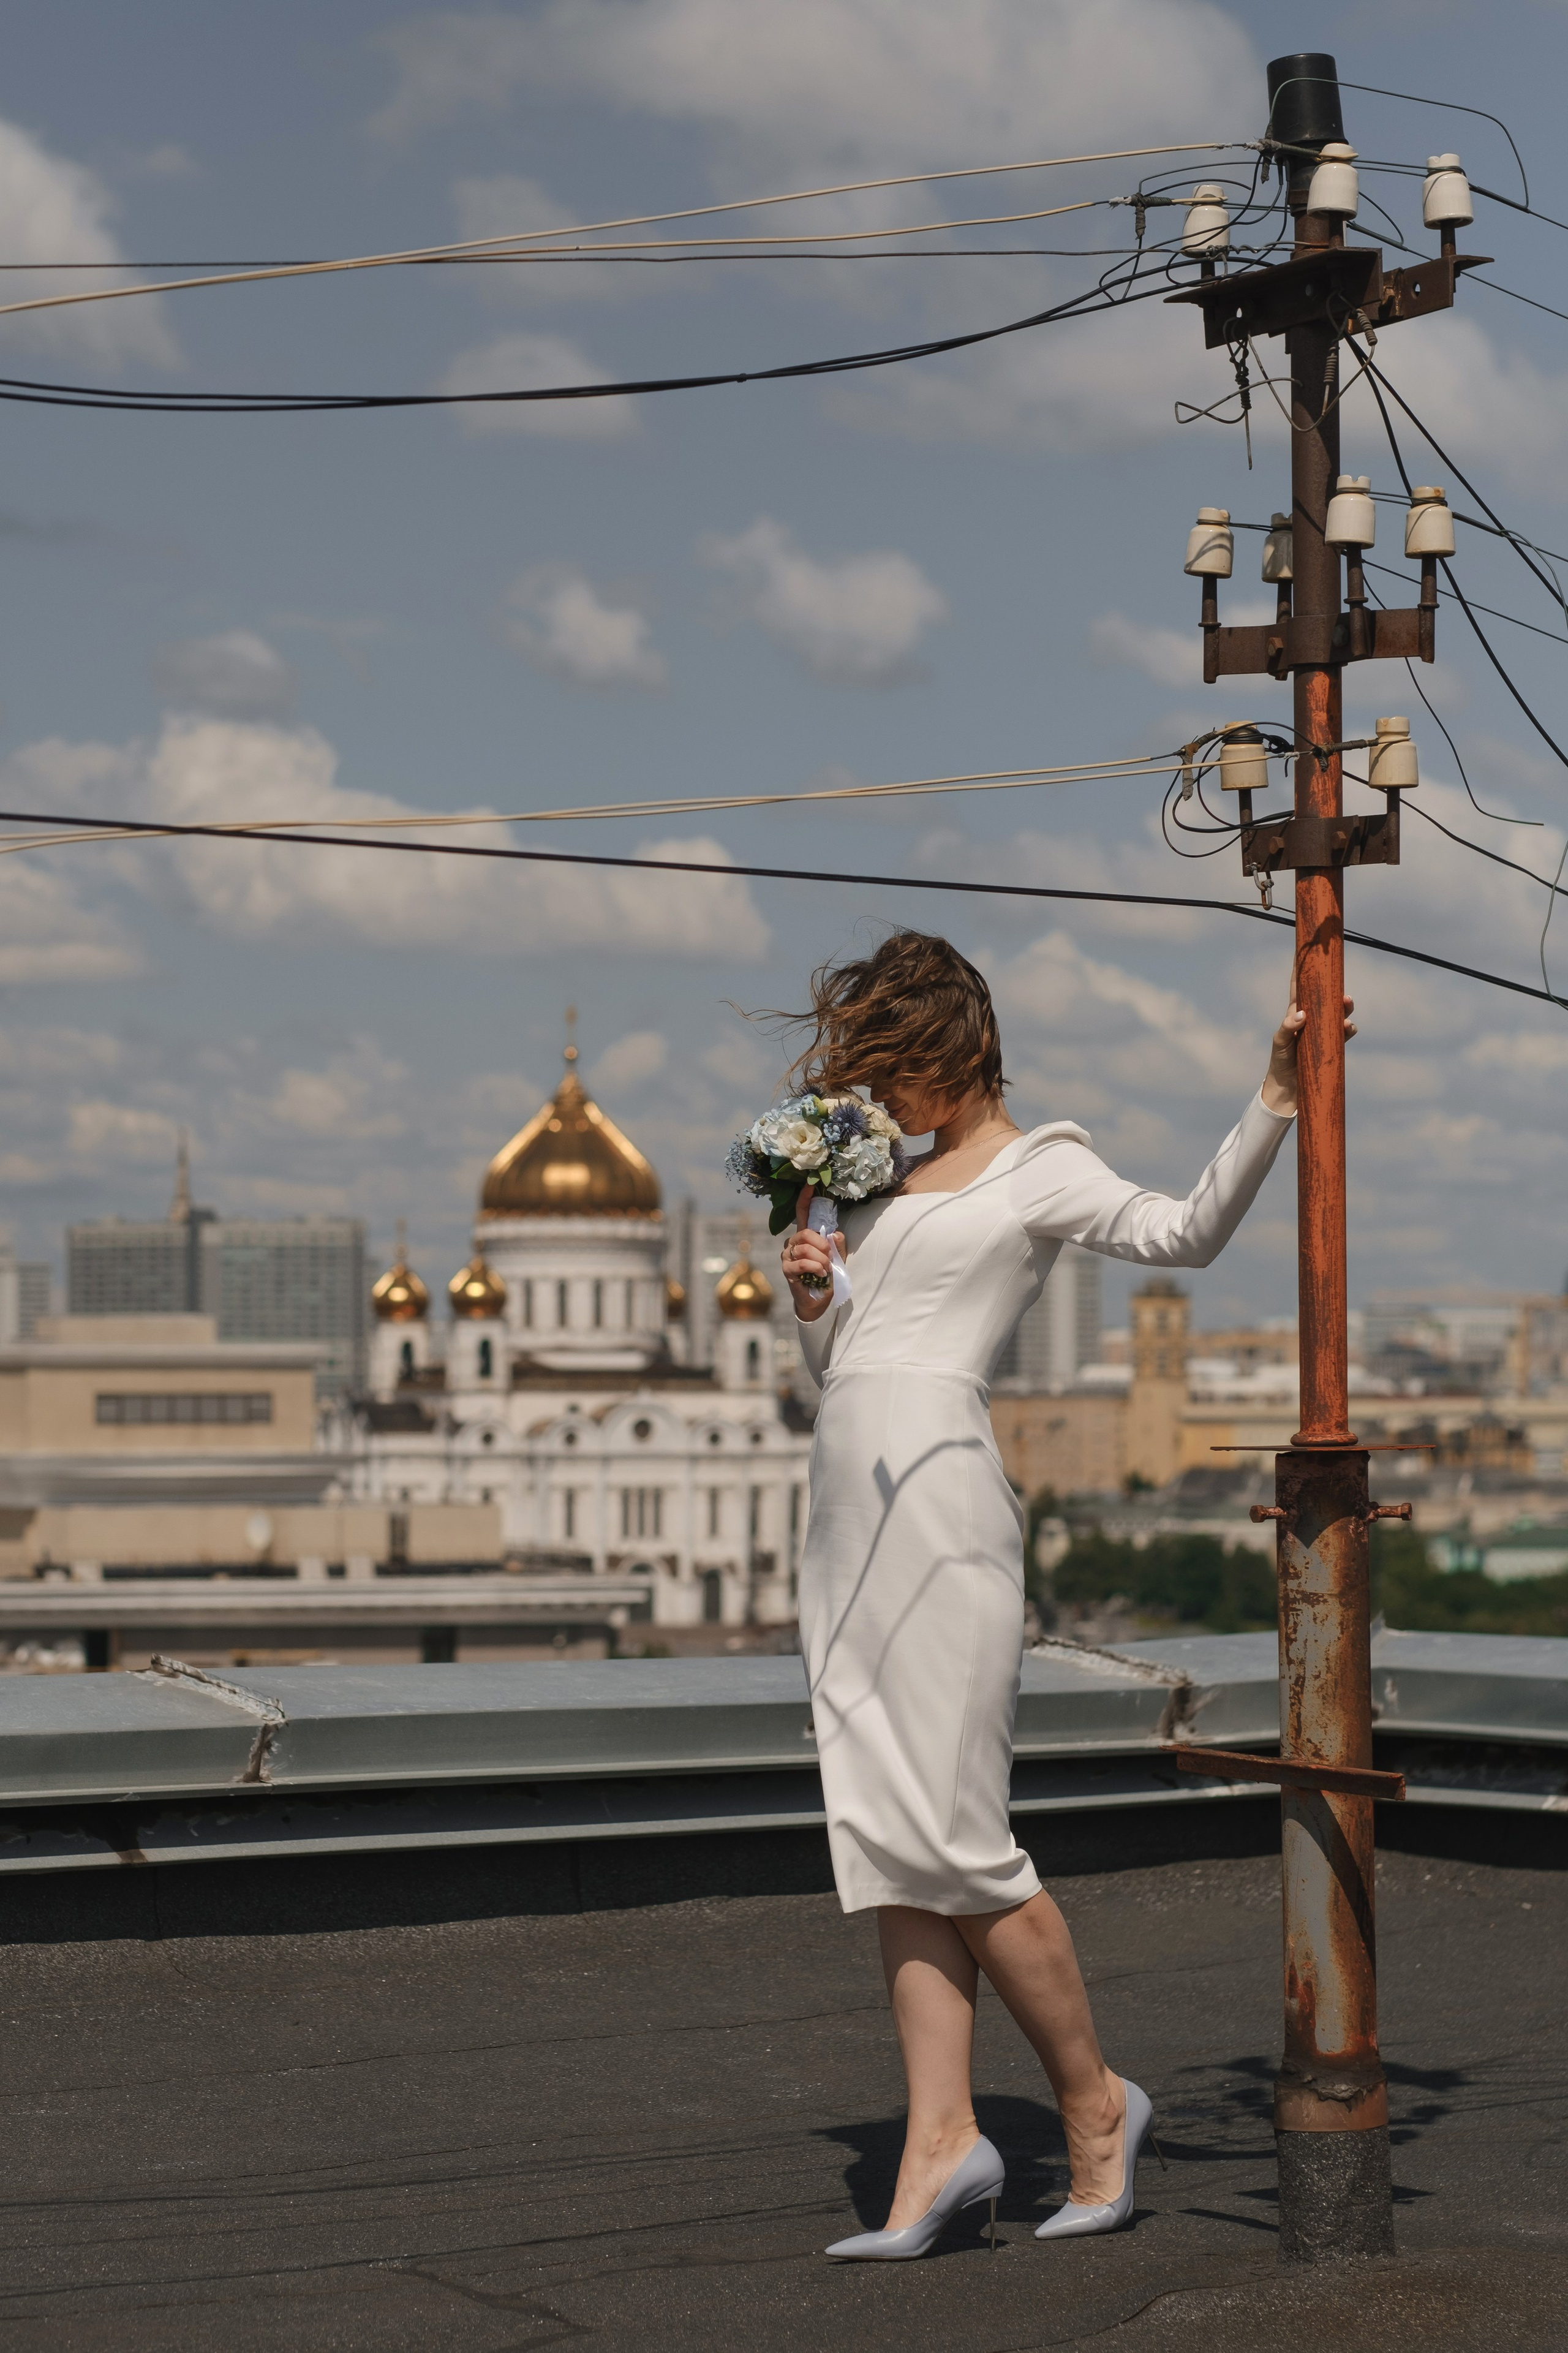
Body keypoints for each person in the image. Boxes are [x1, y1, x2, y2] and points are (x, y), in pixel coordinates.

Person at [777, 928, 1351, 2260]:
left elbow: (1186, 1233)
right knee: (882, 1839)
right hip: (845, 1517)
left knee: (960, 1838)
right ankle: (935, 2152)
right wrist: (814, 1300)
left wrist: (1272, 1094)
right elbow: (848, 1375)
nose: (874, 1100)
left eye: (888, 1069)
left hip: (942, 1515)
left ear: (950, 1053)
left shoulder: (1041, 1166)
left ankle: (1094, 2107)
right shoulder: (884, 1191)